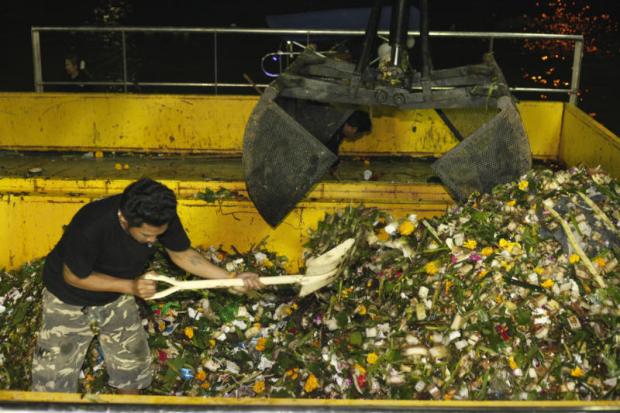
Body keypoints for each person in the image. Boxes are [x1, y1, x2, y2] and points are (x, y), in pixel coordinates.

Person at [31, 178, 263, 394]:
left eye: (158, 235)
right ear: (124, 219)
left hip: (116, 295)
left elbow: (182, 255)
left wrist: (229, 278)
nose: (153, 241)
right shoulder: (91, 224)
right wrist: (131, 287)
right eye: (146, 235)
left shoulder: (160, 216)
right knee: (52, 384)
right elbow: (73, 276)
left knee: (133, 370)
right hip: (69, 298)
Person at [326, 110, 372, 176]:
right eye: (358, 135)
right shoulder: (331, 129)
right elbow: (330, 148)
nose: (354, 138)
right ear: (353, 128)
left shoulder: (338, 124)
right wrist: (334, 165)